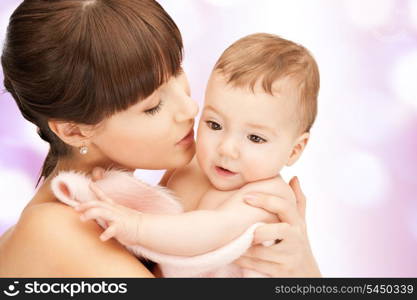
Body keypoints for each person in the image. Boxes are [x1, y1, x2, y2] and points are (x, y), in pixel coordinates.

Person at [0, 0, 318, 277]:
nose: (189, 108)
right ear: (75, 131)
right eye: (153, 106)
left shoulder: (130, 195)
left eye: (177, 71)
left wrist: (297, 266)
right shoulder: (55, 230)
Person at [74, 33, 321, 277]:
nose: (226, 148)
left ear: (295, 150)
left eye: (255, 138)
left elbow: (208, 231)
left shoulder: (266, 197)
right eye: (214, 124)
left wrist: (136, 226)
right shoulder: (190, 165)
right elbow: (158, 213)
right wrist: (118, 192)